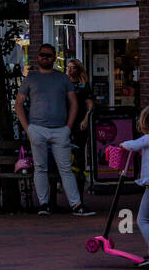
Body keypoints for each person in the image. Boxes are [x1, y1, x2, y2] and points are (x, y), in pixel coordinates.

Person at [16, 43, 93, 216]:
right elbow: (18, 103)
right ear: (38, 57)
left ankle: (76, 204)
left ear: (54, 57)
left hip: (60, 129)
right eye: (43, 55)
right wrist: (28, 128)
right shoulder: (31, 78)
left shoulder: (63, 79)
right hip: (38, 128)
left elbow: (74, 103)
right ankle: (44, 204)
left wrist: (68, 126)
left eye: (49, 55)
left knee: (65, 168)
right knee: (40, 167)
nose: (45, 58)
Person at [122, 105, 149, 263]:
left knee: (142, 220)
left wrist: (122, 145)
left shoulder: (148, 139)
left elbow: (131, 145)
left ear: (144, 124)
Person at [66, 58, 95, 197]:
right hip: (66, 122)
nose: (69, 70)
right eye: (68, 67)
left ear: (78, 70)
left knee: (78, 152)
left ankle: (79, 184)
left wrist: (86, 118)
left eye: (72, 68)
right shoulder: (64, 84)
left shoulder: (83, 85)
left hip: (79, 123)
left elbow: (89, 104)